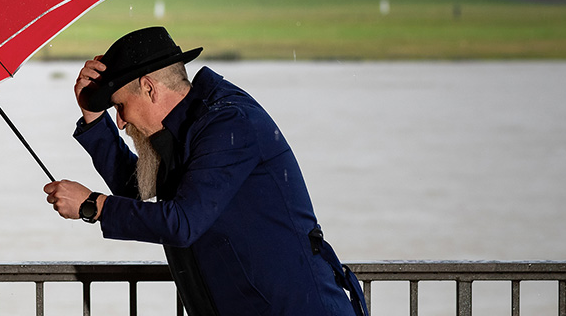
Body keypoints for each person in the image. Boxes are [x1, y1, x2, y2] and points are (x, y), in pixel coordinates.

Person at [43, 26, 367, 316]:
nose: (121, 121)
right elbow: (136, 190)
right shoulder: (187, 127)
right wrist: (94, 119)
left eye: (120, 107)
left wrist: (93, 205)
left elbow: (182, 222)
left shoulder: (228, 122)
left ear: (149, 88)